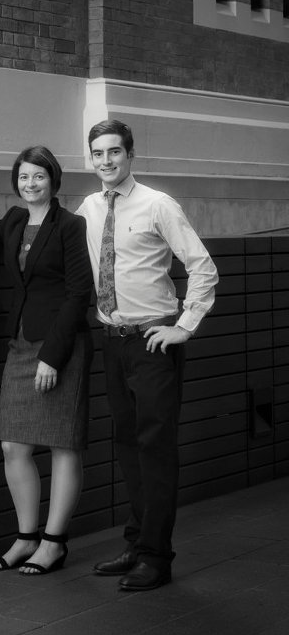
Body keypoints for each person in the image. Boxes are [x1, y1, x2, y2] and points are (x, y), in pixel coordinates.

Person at [80, 116, 218, 593]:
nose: (105, 161)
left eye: (113, 152)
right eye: (97, 153)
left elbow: (202, 266)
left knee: (156, 450)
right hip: (112, 343)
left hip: (151, 344)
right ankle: (137, 543)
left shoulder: (158, 204)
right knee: (127, 447)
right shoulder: (89, 207)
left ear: (130, 154)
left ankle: (157, 557)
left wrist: (183, 326)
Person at [0, 145, 92, 576]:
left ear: (53, 179)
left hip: (60, 347)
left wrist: (52, 357)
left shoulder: (71, 225)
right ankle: (26, 537)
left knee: (63, 445)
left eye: (38, 176)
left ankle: (54, 542)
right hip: (21, 345)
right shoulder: (14, 221)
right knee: (13, 445)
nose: (30, 184)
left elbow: (79, 294)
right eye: (23, 177)